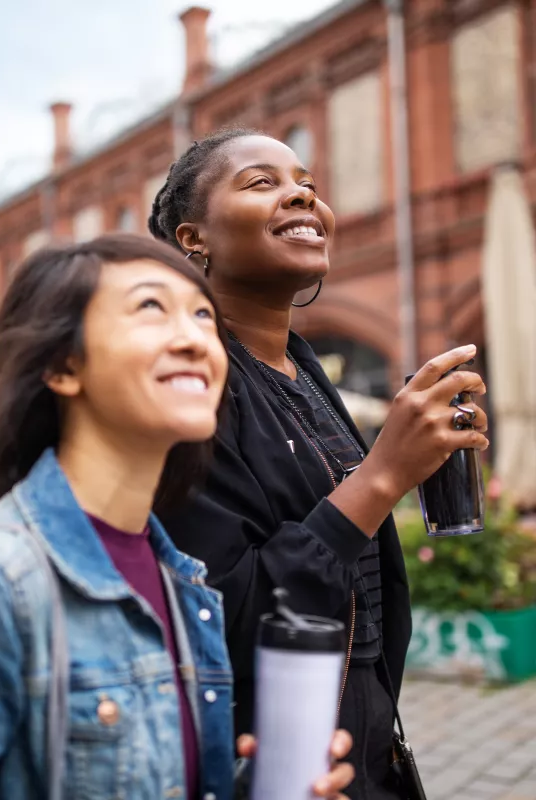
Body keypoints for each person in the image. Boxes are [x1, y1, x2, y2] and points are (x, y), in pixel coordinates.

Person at [0, 233, 354, 800]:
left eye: (203, 316)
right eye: (151, 308)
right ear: (63, 366)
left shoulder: (182, 578)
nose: (194, 339)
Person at [149, 130, 489, 800]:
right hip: (270, 760)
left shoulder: (303, 367)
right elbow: (224, 610)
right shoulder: (193, 380)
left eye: (305, 181)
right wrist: (383, 475)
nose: (302, 193)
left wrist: (411, 455)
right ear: (195, 239)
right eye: (261, 182)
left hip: (364, 744)